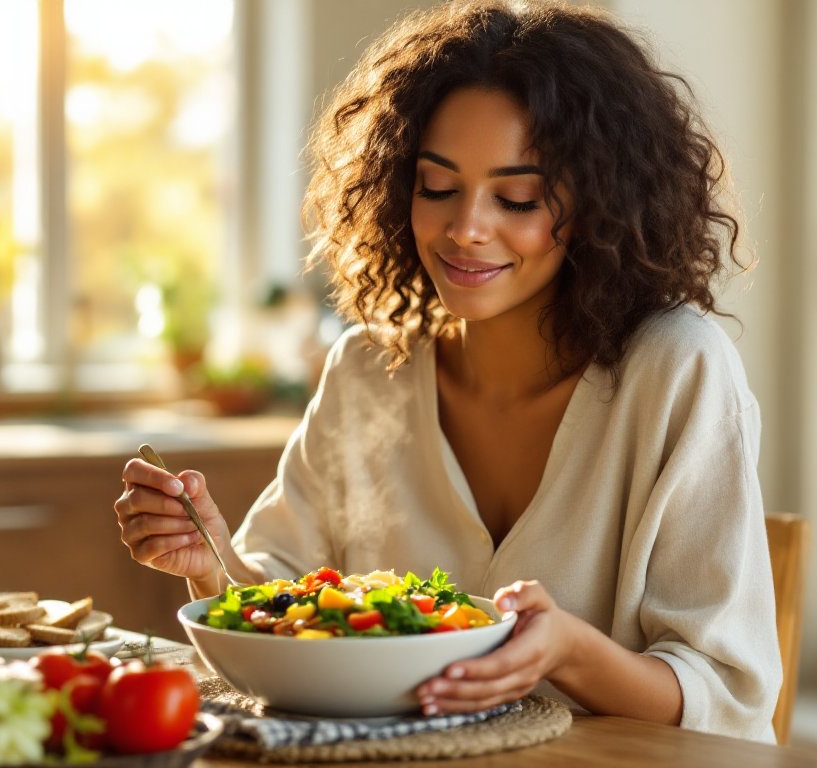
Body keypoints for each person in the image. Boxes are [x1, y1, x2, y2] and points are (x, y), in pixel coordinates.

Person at [115, 0, 780, 743]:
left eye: (518, 196)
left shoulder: (675, 370)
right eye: (437, 187)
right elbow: (281, 602)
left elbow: (727, 694)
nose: (466, 227)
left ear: (599, 204)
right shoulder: (369, 371)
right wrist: (207, 559)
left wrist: (569, 651)